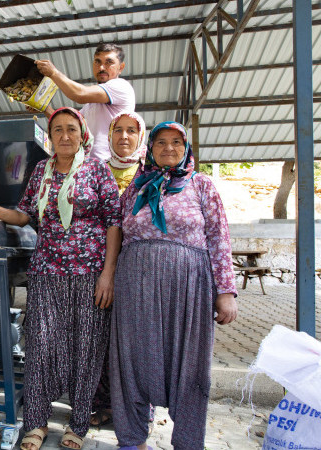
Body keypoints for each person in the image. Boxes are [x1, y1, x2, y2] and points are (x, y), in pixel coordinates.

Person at [0, 107, 121, 450]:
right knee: (42, 344)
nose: (64, 135)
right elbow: (22, 215)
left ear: (82, 134)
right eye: (57, 129)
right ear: (50, 136)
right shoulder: (41, 172)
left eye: (71, 129)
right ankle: (35, 421)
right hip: (47, 272)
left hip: (89, 274)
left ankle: (77, 424)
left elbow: (113, 222)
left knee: (87, 347)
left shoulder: (97, 170)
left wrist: (108, 274)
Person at [109, 122, 238, 450]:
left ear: (186, 148)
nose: (168, 148)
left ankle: (188, 442)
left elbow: (219, 237)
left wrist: (225, 292)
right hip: (134, 286)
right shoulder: (135, 187)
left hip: (188, 288)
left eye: (176, 142)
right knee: (132, 360)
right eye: (161, 142)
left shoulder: (201, 184)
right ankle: (132, 440)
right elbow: (117, 233)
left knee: (189, 363)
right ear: (150, 148)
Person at [89, 111, 147, 428]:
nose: (124, 137)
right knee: (99, 338)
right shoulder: (95, 173)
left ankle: (135, 408)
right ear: (109, 136)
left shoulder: (151, 176)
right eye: (118, 131)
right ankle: (100, 404)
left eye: (131, 131)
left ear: (140, 137)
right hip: (98, 269)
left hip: (139, 272)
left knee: (134, 341)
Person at [35, 43, 135, 163]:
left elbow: (79, 94)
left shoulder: (120, 86)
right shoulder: (91, 106)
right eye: (97, 62)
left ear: (121, 67)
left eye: (109, 62)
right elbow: (70, 125)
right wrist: (43, 107)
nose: (102, 67)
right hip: (91, 168)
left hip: (110, 167)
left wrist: (54, 73)